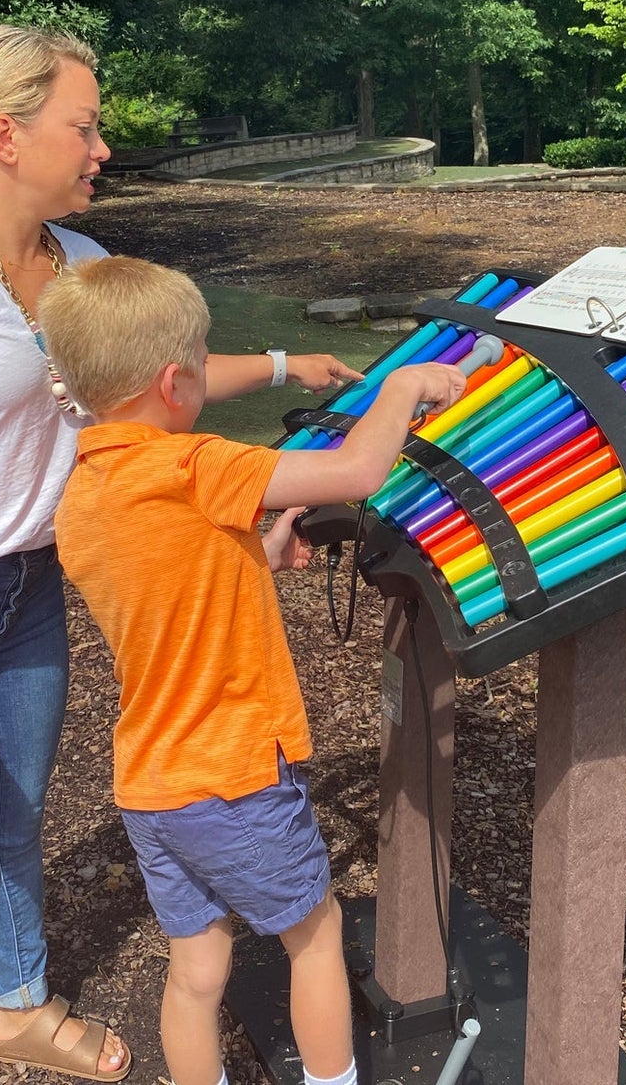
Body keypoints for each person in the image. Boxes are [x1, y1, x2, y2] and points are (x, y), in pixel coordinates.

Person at [0, 24, 361, 1085]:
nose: (102, 147)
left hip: (26, 590)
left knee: (12, 826)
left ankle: (15, 1007)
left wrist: (288, 361)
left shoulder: (83, 266)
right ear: (6, 136)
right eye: (85, 125)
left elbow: (164, 376)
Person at [38, 256, 466, 1085]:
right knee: (315, 934)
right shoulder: (199, 466)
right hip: (232, 776)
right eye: (202, 359)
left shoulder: (86, 494)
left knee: (197, 973)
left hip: (153, 784)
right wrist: (404, 386)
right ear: (175, 383)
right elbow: (355, 472)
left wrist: (255, 553)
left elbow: (170, 590)